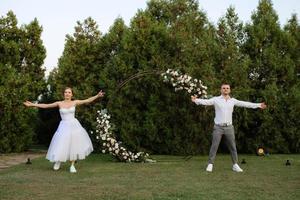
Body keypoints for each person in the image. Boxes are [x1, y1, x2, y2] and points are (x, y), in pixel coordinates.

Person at [24, 87, 105, 173]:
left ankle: (72, 165)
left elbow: (87, 100)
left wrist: (97, 95)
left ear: (71, 94)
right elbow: (46, 106)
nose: (67, 94)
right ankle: (58, 161)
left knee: (74, 145)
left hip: (74, 126)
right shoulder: (59, 103)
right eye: (66, 92)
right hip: (63, 126)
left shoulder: (75, 102)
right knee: (61, 143)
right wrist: (33, 104)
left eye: (69, 92)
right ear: (64, 94)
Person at [191, 83, 266, 172]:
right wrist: (196, 100)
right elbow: (206, 101)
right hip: (218, 127)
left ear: (229, 90)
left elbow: (245, 104)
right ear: (221, 90)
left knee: (232, 147)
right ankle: (210, 164)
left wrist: (258, 105)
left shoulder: (233, 101)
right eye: (224, 88)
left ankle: (235, 165)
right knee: (214, 146)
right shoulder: (216, 100)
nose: (225, 89)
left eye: (227, 88)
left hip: (229, 127)